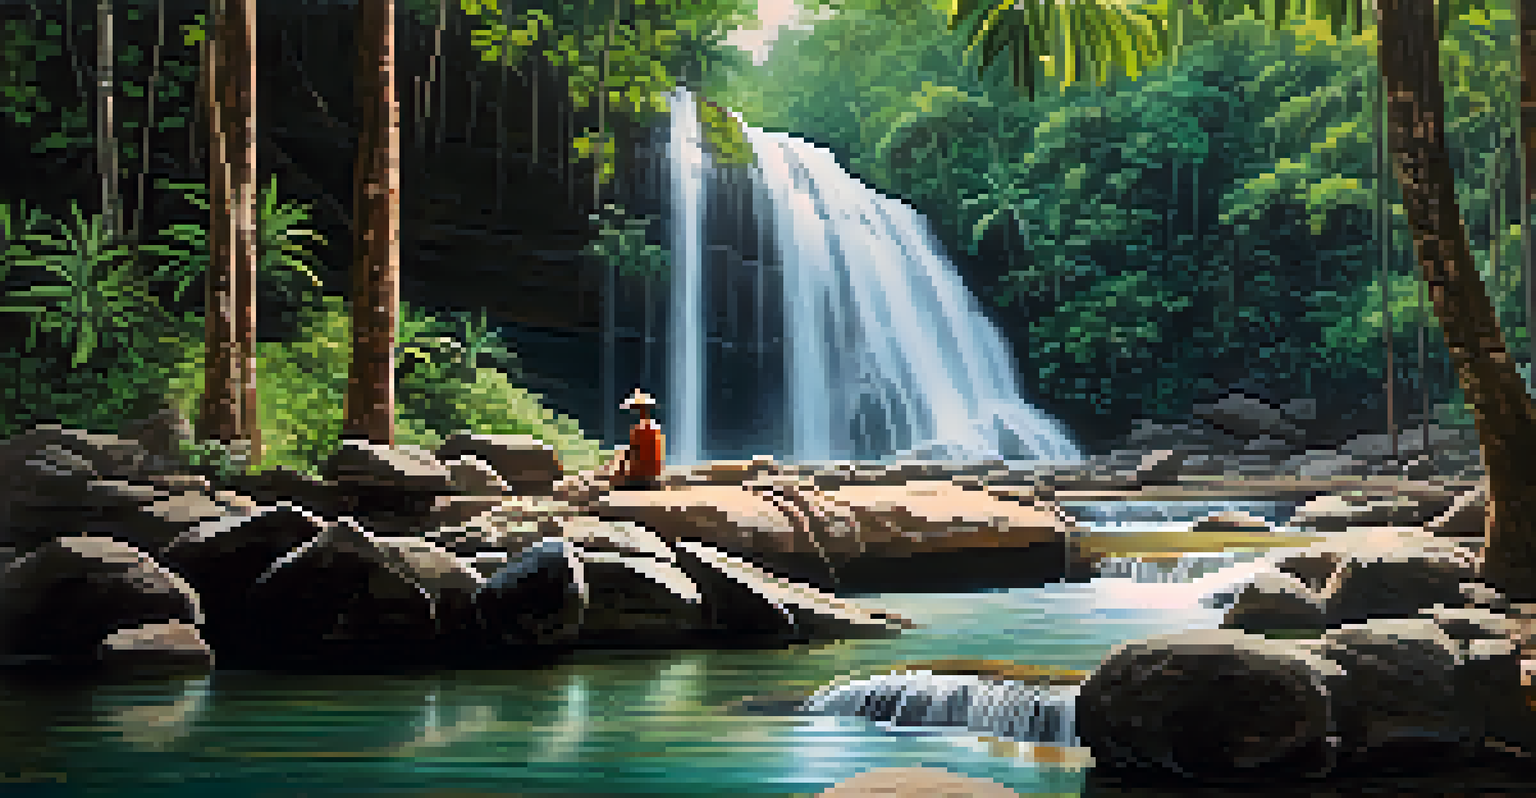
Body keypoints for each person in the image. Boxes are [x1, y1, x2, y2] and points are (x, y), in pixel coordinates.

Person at [614, 388, 665, 490]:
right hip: (652, 475)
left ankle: (621, 480)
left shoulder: (639, 430)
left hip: (639, 477)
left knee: (621, 452)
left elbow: (632, 453)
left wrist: (620, 471)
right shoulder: (656, 428)